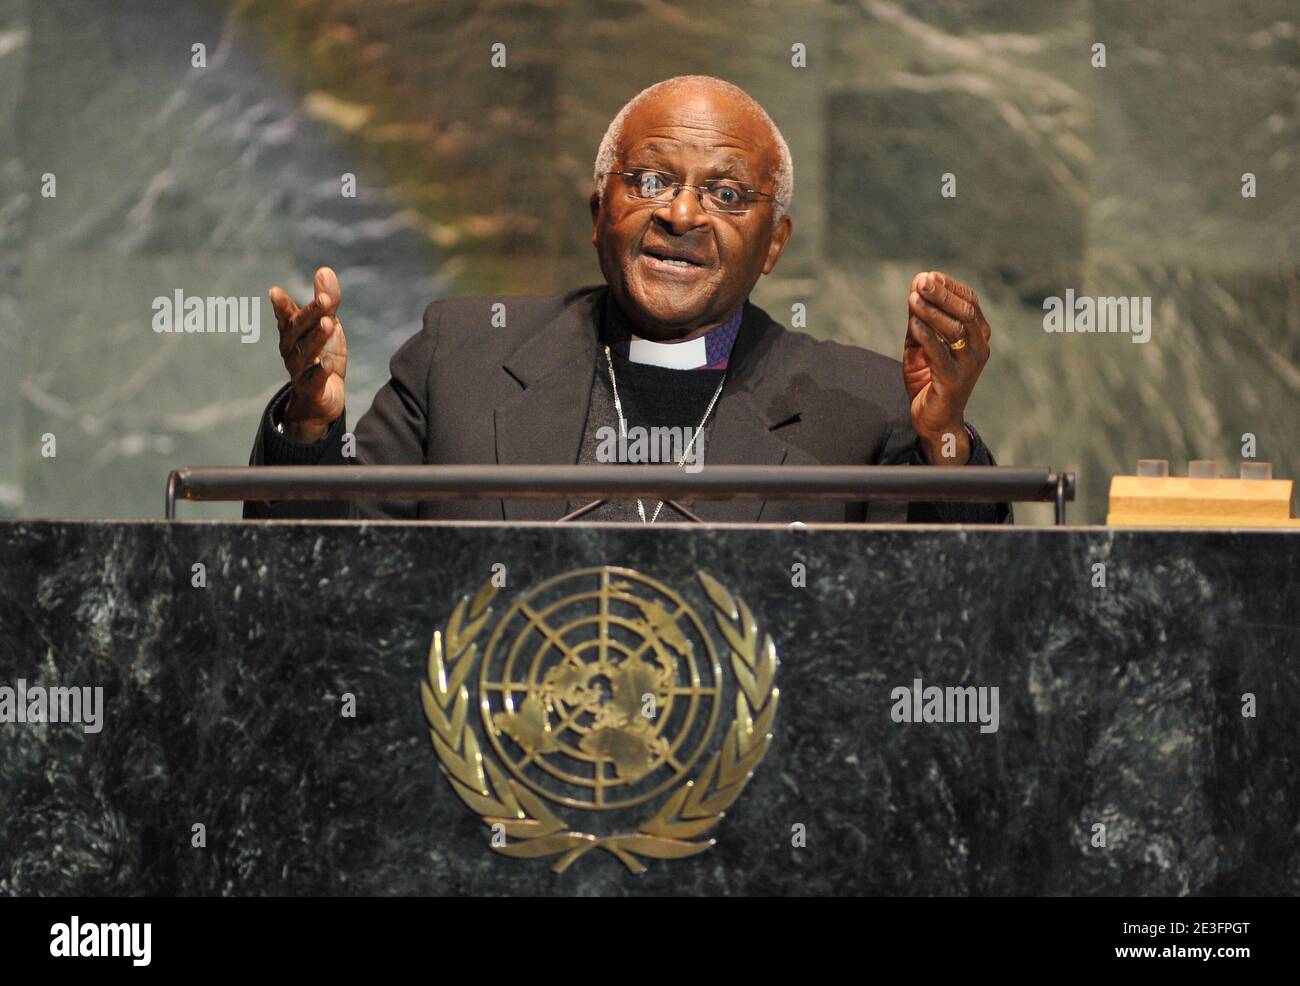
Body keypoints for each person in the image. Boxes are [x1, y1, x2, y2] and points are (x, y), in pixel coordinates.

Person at [245, 75, 1009, 524]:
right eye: (649, 181)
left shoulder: (862, 402)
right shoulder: (463, 360)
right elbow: (314, 589)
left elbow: (954, 609)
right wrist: (310, 425)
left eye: (728, 193)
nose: (681, 214)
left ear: (774, 243)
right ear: (596, 214)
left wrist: (944, 438)